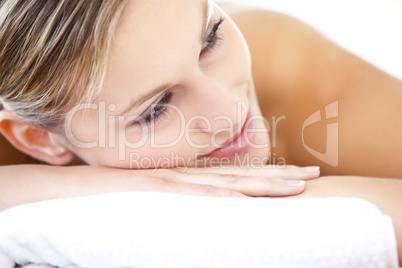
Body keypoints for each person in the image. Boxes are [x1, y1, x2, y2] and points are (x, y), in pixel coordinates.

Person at [0, 0, 401, 262]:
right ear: (40, 139)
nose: (231, 113)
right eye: (156, 109)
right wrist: (64, 186)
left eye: (210, 40)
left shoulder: (284, 59)